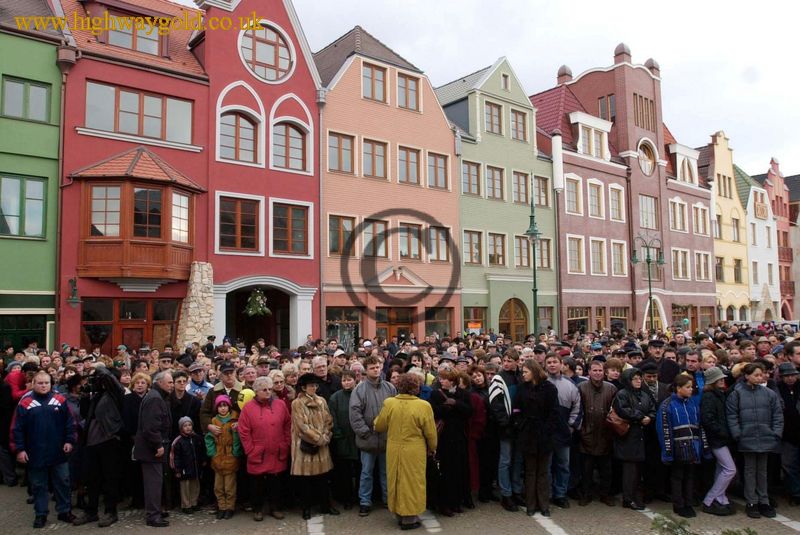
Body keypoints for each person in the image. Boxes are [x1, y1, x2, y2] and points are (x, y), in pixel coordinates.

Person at [12, 370, 76, 528]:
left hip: (58, 452)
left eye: (46, 383)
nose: (43, 386)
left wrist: (70, 440)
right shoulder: (25, 402)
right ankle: (41, 515)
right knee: (39, 485)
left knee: (63, 482)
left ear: (51, 383)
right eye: (40, 383)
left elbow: (70, 423)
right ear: (33, 384)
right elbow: (16, 429)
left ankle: (64, 511)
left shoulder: (60, 400)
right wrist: (20, 449)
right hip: (35, 453)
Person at [374, 373, 437, 530]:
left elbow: (379, 425)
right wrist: (433, 447)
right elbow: (430, 432)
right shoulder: (423, 406)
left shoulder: (389, 403)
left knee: (395, 478)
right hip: (414, 449)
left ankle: (398, 512)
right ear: (416, 387)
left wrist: (376, 421)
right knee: (413, 481)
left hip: (394, 447)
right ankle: (409, 518)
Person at [727, 362, 783, 519]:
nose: (760, 378)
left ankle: (764, 500)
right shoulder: (736, 394)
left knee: (763, 471)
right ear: (747, 376)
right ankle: (752, 501)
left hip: (766, 437)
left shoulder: (769, 394)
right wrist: (738, 434)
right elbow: (732, 416)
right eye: (756, 375)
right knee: (750, 471)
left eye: (761, 375)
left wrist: (776, 433)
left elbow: (777, 415)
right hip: (747, 438)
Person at [72, 366, 126, 527]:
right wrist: (85, 394)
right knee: (92, 478)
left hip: (109, 440)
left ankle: (111, 512)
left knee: (110, 478)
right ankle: (91, 511)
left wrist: (99, 369)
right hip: (91, 441)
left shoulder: (115, 394)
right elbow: (84, 413)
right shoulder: (95, 395)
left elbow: (113, 383)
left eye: (96, 378)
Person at [238, 376, 291, 522]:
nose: (268, 392)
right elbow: (243, 431)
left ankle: (275, 508)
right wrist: (250, 450)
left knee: (276, 483)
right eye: (264, 390)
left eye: (269, 389)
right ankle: (257, 509)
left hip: (277, 450)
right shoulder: (248, 408)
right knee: (257, 484)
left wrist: (286, 443)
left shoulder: (280, 404)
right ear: (256, 391)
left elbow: (287, 425)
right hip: (258, 452)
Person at [349, 355, 396, 516]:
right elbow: (355, 415)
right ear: (366, 370)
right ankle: (365, 501)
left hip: (386, 438)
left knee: (386, 472)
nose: (375, 370)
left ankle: (388, 499)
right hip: (367, 440)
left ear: (381, 367)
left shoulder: (390, 388)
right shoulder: (359, 390)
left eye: (377, 367)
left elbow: (395, 411)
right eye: (372, 368)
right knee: (366, 472)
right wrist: (365, 433)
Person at [656, 374, 707, 518]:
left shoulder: (692, 404)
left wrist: (703, 447)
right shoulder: (667, 405)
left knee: (690, 476)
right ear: (678, 388)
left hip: (692, 446)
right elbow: (664, 430)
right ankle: (678, 504)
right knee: (677, 476)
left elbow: (699, 425)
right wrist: (668, 452)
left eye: (692, 387)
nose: (691, 390)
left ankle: (688, 502)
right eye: (688, 387)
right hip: (678, 447)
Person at [515, 359, 559, 517]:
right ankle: (531, 504)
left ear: (534, 371)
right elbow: (517, 408)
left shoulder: (549, 388)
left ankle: (544, 504)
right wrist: (520, 423)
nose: (523, 374)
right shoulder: (522, 388)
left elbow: (554, 412)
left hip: (544, 434)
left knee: (543, 471)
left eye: (525, 372)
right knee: (530, 471)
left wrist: (547, 429)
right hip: (527, 434)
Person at [292, 373, 338, 520]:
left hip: (322, 444)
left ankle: (325, 506)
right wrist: (318, 439)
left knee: (323, 478)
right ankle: (306, 508)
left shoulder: (322, 401)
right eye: (311, 385)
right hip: (304, 445)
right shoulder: (297, 403)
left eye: (315, 385)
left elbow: (328, 420)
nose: (314, 388)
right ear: (304, 388)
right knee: (305, 481)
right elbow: (301, 427)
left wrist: (325, 436)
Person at [133, 371, 173, 528]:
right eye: (169, 383)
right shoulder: (155, 398)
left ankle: (155, 510)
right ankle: (153, 515)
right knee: (153, 483)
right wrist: (158, 445)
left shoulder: (156, 396)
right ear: (160, 382)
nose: (171, 385)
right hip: (152, 449)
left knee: (156, 482)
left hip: (153, 447)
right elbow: (150, 427)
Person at [430, 369, 472, 516]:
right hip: (443, 438)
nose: (441, 381)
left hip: (459, 437)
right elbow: (434, 411)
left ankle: (456, 502)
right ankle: (443, 504)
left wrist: (455, 403)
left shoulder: (462, 394)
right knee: (445, 471)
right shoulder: (436, 394)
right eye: (440, 378)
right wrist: (447, 407)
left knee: (458, 471)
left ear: (453, 381)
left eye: (445, 379)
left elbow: (469, 411)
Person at [612, 368, 655, 510]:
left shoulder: (644, 394)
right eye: (635, 378)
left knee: (639, 469)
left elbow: (653, 408)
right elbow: (623, 410)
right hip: (629, 435)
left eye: (639, 378)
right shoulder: (622, 394)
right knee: (630, 469)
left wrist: (649, 417)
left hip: (643, 435)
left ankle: (635, 496)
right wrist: (640, 417)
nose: (638, 381)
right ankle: (628, 498)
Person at [577, 360, 617, 506]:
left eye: (600, 371)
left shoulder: (611, 388)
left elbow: (615, 411)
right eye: (594, 370)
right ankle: (586, 494)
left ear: (604, 372)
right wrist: (581, 430)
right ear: (589, 372)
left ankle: (605, 494)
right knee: (586, 469)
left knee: (606, 469)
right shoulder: (581, 387)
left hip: (605, 434)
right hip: (586, 433)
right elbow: (578, 410)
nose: (597, 373)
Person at [700, 366, 736, 516]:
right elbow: (708, 419)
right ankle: (710, 499)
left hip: (720, 438)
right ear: (713, 381)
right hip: (716, 439)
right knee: (730, 469)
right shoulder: (709, 396)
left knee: (721, 469)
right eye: (719, 379)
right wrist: (722, 432)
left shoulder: (719, 394)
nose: (722, 380)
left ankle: (720, 497)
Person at [204, 394, 241, 519]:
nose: (223, 409)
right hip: (218, 457)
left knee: (229, 486)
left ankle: (230, 507)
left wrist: (236, 452)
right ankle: (221, 506)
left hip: (230, 456)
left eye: (225, 406)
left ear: (229, 407)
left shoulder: (234, 420)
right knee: (218, 486)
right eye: (220, 406)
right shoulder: (214, 421)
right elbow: (209, 438)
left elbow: (237, 439)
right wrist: (212, 452)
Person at [329, 370, 360, 508]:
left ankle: (360, 497)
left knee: (360, 470)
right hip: (343, 440)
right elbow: (332, 418)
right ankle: (346, 498)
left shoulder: (360, 394)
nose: (346, 382)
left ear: (355, 380)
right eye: (344, 380)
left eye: (349, 380)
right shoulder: (335, 397)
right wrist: (338, 434)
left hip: (358, 438)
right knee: (344, 472)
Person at [169, 416, 206, 514]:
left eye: (189, 425)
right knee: (185, 487)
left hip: (195, 468)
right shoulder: (178, 441)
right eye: (185, 426)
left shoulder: (196, 438)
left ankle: (194, 503)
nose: (188, 427)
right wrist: (177, 470)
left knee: (195, 486)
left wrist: (202, 461)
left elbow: (201, 450)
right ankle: (186, 505)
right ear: (181, 428)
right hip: (184, 469)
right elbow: (175, 457)